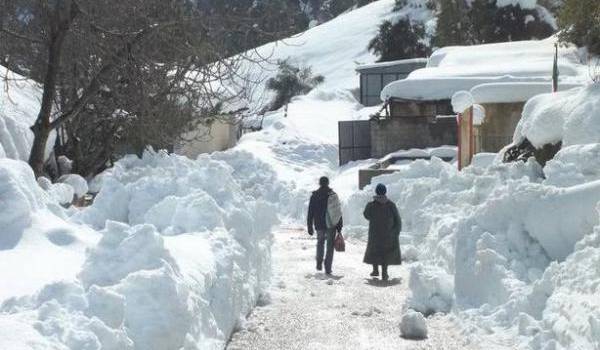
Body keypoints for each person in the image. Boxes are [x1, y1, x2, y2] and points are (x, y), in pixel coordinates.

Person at [363, 183, 401, 281]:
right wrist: (395, 231)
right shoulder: (391, 205)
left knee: (374, 251)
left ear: (376, 192)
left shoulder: (371, 205)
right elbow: (397, 219)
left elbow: (366, 215)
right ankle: (384, 273)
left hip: (375, 234)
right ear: (385, 192)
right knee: (385, 253)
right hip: (388, 234)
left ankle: (375, 270)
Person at [307, 176, 343, 275]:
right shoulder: (333, 195)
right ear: (328, 183)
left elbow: (310, 212)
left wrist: (309, 226)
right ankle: (328, 267)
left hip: (319, 224)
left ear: (320, 183)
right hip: (331, 224)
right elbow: (337, 211)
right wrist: (339, 226)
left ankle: (319, 262)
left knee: (320, 242)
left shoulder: (314, 196)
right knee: (330, 245)